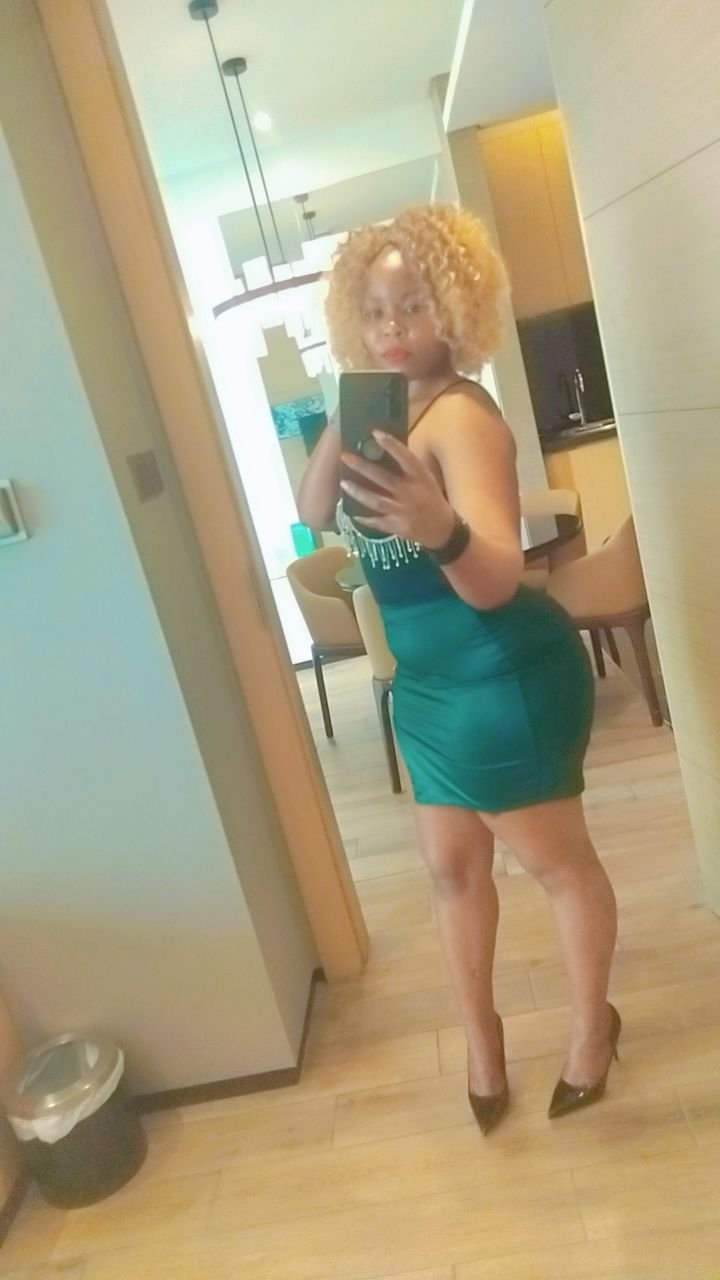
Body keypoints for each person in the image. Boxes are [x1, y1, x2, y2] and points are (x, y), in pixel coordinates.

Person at [298, 205, 619, 1134]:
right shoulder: (380, 414)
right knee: (449, 870)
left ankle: (592, 1030)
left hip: (500, 677)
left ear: (455, 307)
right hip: (429, 688)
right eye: (374, 311)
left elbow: (495, 580)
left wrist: (439, 527)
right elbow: (314, 511)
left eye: (413, 306)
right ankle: (483, 1046)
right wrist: (345, 411)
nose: (394, 329)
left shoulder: (463, 420)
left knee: (557, 865)